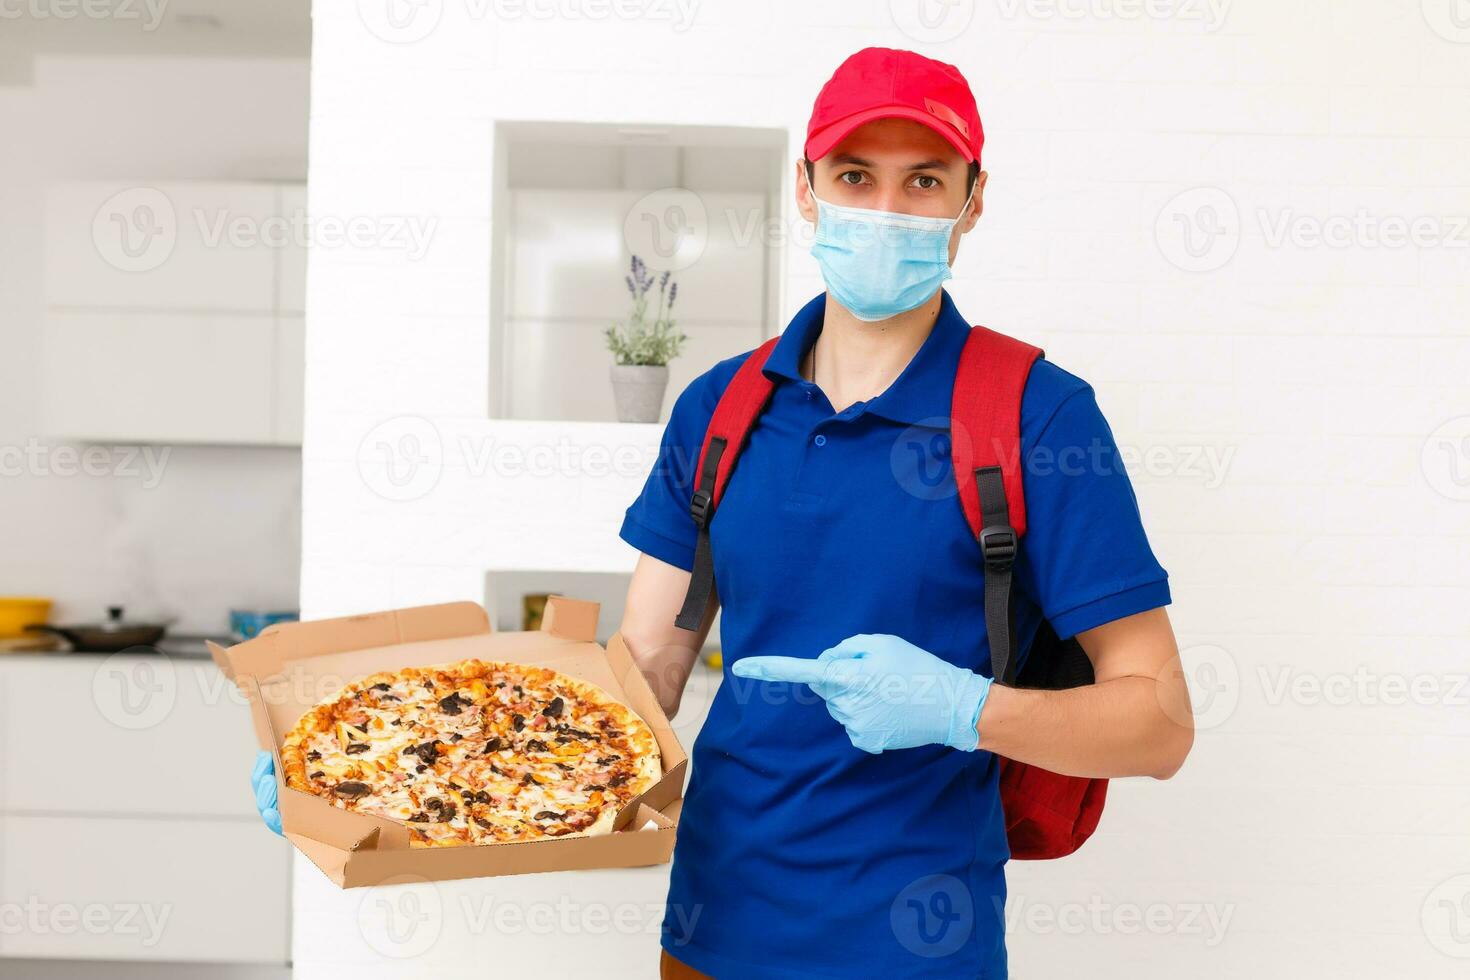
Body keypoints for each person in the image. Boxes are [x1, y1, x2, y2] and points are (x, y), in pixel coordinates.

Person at [252, 46, 1193, 980]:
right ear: (806, 186)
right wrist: (395, 770)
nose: (884, 211)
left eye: (925, 181)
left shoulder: (1034, 413)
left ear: (972, 200)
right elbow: (645, 674)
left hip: (919, 938)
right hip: (716, 922)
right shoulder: (721, 408)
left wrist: (963, 707)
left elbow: (1159, 723)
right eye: (856, 176)